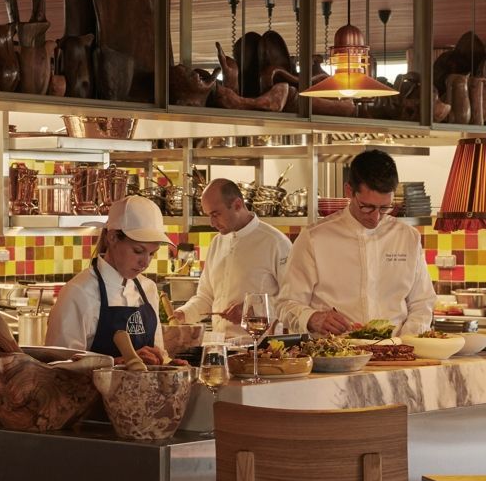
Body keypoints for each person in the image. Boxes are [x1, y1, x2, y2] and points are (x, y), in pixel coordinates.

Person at [277, 149, 435, 337]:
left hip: (397, 348)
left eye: (385, 207)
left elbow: (422, 302)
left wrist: (407, 340)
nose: (376, 217)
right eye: (367, 207)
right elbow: (286, 305)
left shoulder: (408, 237)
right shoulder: (314, 238)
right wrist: (312, 318)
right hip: (336, 349)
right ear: (349, 191)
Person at [45, 195, 173, 363]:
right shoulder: (78, 293)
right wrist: (119, 363)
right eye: (138, 251)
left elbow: (158, 353)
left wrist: (167, 363)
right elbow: (59, 368)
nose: (145, 262)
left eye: (152, 253)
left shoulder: (148, 288)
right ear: (112, 237)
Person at [170, 178, 292, 338]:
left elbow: (292, 302)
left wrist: (253, 310)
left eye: (216, 214)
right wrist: (183, 314)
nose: (212, 223)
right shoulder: (216, 243)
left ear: (237, 205)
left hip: (260, 347)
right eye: (209, 215)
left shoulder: (276, 242)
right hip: (219, 344)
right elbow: (206, 297)